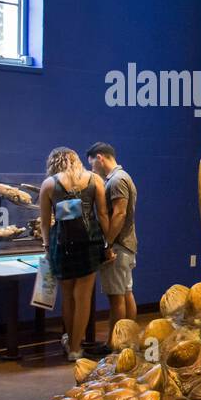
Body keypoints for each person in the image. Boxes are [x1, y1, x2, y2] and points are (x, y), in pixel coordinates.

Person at [39, 148, 110, 361]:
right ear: (76, 160)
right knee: (83, 298)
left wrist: (46, 247)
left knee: (67, 297)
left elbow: (44, 223)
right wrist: (109, 244)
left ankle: (70, 341)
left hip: (62, 245)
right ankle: (76, 349)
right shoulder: (95, 180)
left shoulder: (49, 184)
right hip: (90, 244)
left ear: (54, 163)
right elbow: (103, 215)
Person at [87, 142, 138, 343]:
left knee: (116, 298)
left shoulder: (117, 180)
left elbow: (120, 213)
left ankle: (113, 345)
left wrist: (107, 243)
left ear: (100, 158)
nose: (93, 169)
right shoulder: (121, 178)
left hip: (118, 246)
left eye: (92, 164)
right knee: (126, 294)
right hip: (126, 245)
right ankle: (127, 342)